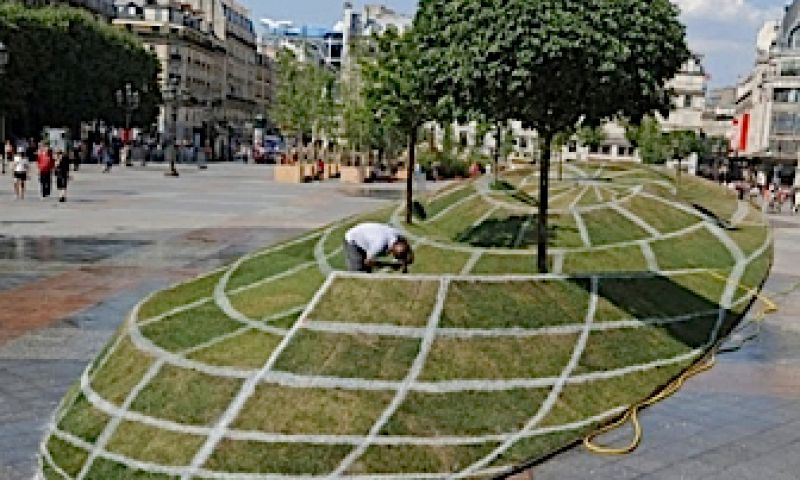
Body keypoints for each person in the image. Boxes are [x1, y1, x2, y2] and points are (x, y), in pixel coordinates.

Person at [343, 223, 414, 273]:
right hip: (353, 240)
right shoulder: (379, 245)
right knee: (359, 272)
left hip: (367, 238)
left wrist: (405, 265)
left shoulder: (399, 237)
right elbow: (368, 262)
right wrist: (389, 265)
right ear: (391, 250)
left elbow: (408, 254)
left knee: (368, 273)